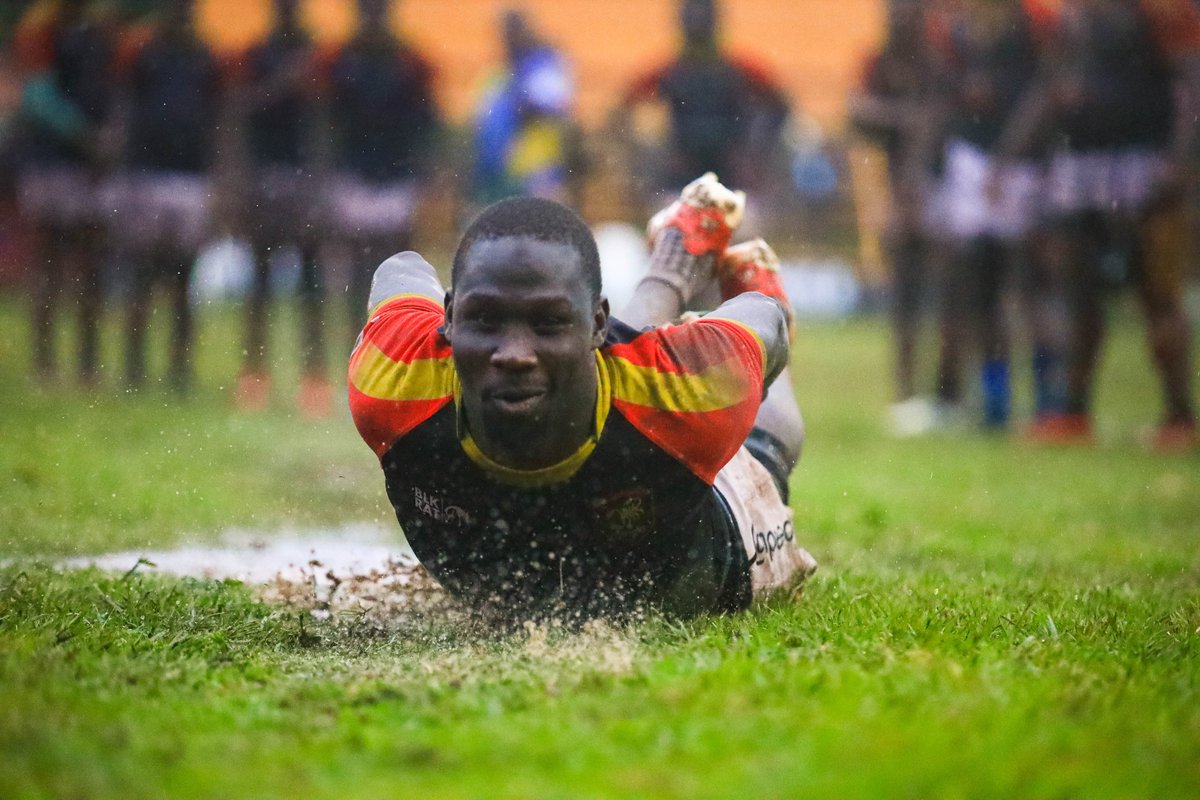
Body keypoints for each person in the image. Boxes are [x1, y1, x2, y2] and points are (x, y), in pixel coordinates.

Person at [348, 174, 815, 620]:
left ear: (598, 326)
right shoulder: (395, 380)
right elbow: (402, 268)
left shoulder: (690, 395)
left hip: (706, 552)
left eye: (548, 323)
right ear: (449, 319)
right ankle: (676, 257)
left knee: (765, 457)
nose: (514, 356)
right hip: (618, 367)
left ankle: (710, 267)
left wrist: (735, 344)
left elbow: (766, 319)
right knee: (633, 361)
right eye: (486, 320)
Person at [1000, 0, 1200, 449]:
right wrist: (1009, 154)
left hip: (1143, 161)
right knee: (1077, 293)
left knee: (1157, 292)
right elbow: (1052, 84)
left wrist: (1180, 160)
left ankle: (1179, 415)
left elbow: (1192, 81)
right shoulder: (1070, 10)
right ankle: (1073, 412)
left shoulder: (1162, 8)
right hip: (1079, 165)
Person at [107, 0, 221, 391]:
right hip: (146, 174)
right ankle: (134, 367)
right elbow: (122, 105)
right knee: (141, 273)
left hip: (191, 176)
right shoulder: (141, 50)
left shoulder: (206, 55)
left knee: (182, 277)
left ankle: (178, 368)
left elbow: (218, 116)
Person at [13, 0, 119, 385]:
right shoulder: (41, 28)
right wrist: (86, 136)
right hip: (50, 162)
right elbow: (37, 97)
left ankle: (87, 364)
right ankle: (44, 364)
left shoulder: (102, 30)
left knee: (90, 267)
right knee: (49, 263)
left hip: (90, 168)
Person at [232, 0, 329, 416]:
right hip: (264, 175)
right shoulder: (255, 55)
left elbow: (327, 121)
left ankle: (314, 381)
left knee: (312, 282)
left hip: (306, 178)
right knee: (259, 279)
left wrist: (321, 186)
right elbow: (237, 111)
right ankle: (254, 375)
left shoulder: (322, 55)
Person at [324, 0, 440, 344]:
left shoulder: (410, 60)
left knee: (398, 263)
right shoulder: (339, 60)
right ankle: (356, 340)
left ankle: (396, 340)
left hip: (397, 175)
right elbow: (327, 118)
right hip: (354, 174)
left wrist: (427, 173)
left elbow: (426, 120)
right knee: (357, 266)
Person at [613, 0, 789, 198]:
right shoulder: (668, 71)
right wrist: (653, 152)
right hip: (681, 169)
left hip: (732, 172)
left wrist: (753, 152)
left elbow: (780, 107)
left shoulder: (742, 69)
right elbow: (622, 110)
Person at [471, 8, 579, 206]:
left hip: (538, 172)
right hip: (497, 172)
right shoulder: (496, 74)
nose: (509, 37)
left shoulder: (545, 66)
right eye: (505, 32)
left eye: (514, 30)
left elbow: (556, 104)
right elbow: (482, 121)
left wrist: (521, 100)